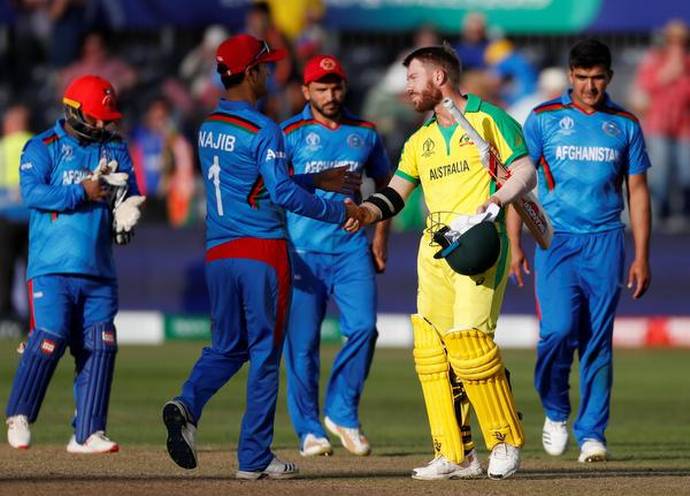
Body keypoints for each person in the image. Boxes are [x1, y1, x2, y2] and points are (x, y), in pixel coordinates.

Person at [161, 34, 362, 480]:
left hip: (220, 252)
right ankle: (253, 457)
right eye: (265, 67)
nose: (270, 73)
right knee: (266, 353)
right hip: (262, 252)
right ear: (250, 73)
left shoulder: (208, 127)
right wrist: (338, 210)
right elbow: (280, 193)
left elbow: (252, 183)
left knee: (227, 346)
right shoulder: (264, 129)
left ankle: (187, 404)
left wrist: (314, 179)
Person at [348, 44, 536, 480]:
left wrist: (497, 199)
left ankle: (504, 440)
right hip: (434, 250)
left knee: (470, 343)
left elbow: (524, 171)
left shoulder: (490, 119)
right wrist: (366, 212)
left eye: (413, 78)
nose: (408, 89)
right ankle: (455, 453)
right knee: (433, 353)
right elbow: (396, 192)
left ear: (438, 77)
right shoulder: (421, 139)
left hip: (477, 244)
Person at [510, 39, 652, 463]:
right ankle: (555, 409)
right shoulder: (543, 118)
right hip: (556, 241)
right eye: (582, 77)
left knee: (596, 340)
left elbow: (638, 192)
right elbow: (520, 182)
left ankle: (592, 433)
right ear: (570, 75)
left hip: (606, 241)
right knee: (556, 332)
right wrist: (515, 242)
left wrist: (642, 254)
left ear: (609, 77)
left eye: (598, 78)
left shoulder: (625, 124)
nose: (590, 86)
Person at [5, 75, 145, 453]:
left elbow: (129, 193)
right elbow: (33, 194)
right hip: (52, 266)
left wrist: (126, 213)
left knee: (101, 344)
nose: (101, 125)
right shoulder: (43, 147)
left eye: (106, 118)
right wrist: (81, 191)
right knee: (49, 337)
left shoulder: (115, 147)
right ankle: (19, 413)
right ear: (73, 112)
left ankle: (88, 432)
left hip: (99, 268)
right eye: (95, 117)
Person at [281, 54, 392, 457]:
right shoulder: (288, 133)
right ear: (305, 91)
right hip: (301, 252)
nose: (330, 95)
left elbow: (386, 185)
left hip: (350, 249)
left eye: (336, 87)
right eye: (322, 88)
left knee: (364, 328)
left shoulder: (365, 133)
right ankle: (309, 430)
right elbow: (271, 188)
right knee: (303, 346)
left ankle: (342, 412)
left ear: (345, 88)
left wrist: (380, 238)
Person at [633, 19, 690, 227]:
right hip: (658, 125)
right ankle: (661, 214)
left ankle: (684, 213)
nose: (677, 44)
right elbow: (644, 87)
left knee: (686, 172)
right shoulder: (654, 61)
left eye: (681, 41)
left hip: (684, 126)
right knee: (660, 174)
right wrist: (669, 72)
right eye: (673, 40)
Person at [0, 105, 33, 324]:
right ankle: (33, 318)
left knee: (5, 270)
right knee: (33, 271)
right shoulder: (36, 143)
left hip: (6, 215)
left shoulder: (3, 146)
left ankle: (5, 316)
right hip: (32, 216)